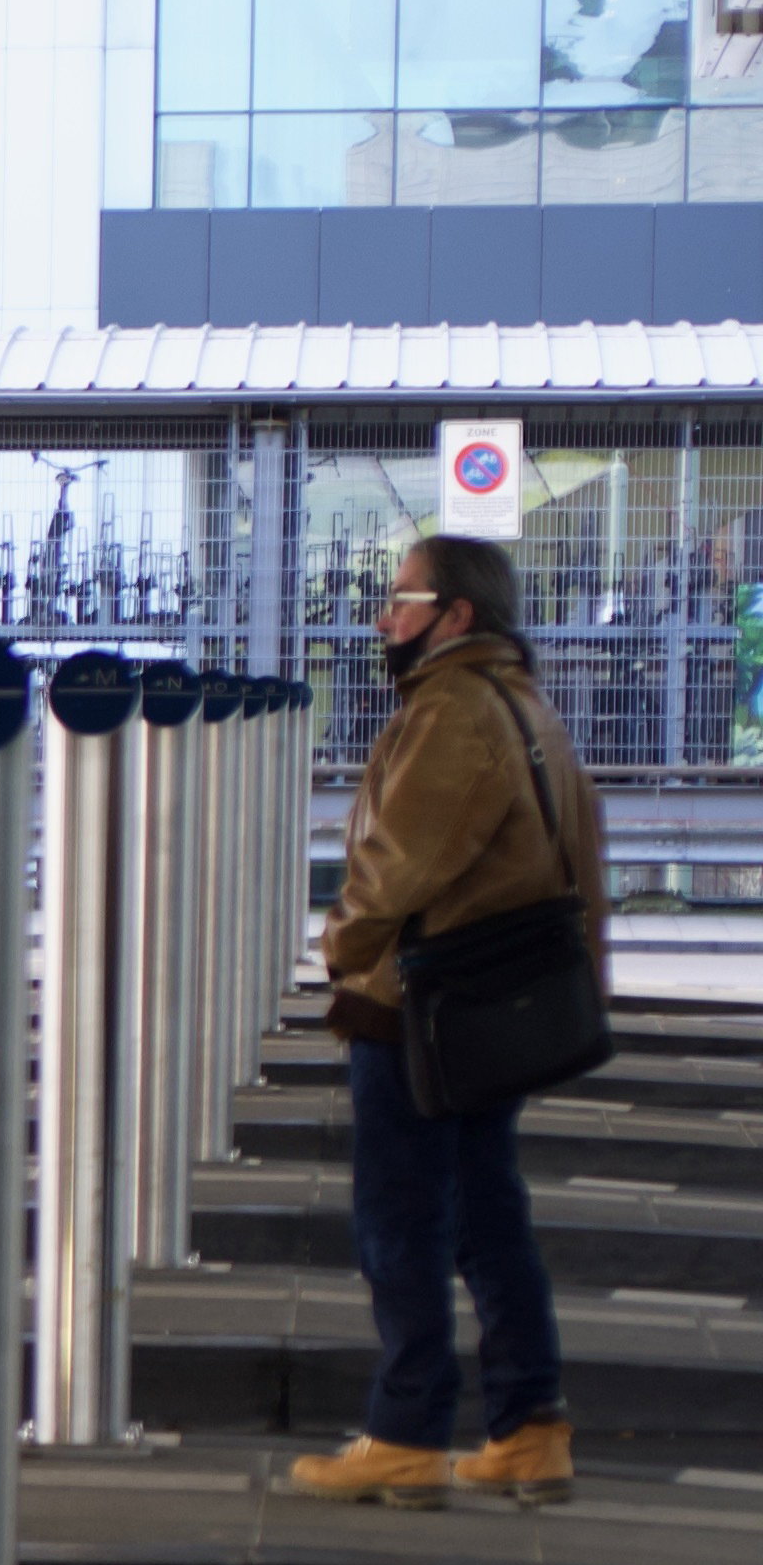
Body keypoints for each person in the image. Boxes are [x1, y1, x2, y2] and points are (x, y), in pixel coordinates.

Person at [286, 531, 603, 1507]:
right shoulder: (524, 701)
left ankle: (407, 1435)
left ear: (454, 613)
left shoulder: (452, 706)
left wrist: (343, 942)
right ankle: (529, 1426)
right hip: (496, 995)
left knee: (402, 1221)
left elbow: (401, 858)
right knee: (487, 1214)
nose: (384, 617)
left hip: (422, 997)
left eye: (401, 598)